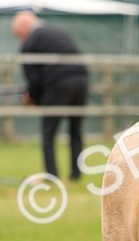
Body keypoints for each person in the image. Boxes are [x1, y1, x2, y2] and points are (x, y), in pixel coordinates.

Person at [12, 10, 89, 181]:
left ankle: (52, 176)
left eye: (19, 34)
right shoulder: (59, 32)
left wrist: (31, 97)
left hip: (58, 84)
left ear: (23, 27)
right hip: (82, 81)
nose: (20, 38)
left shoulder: (31, 41)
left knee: (48, 133)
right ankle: (75, 176)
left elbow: (34, 78)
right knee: (75, 131)